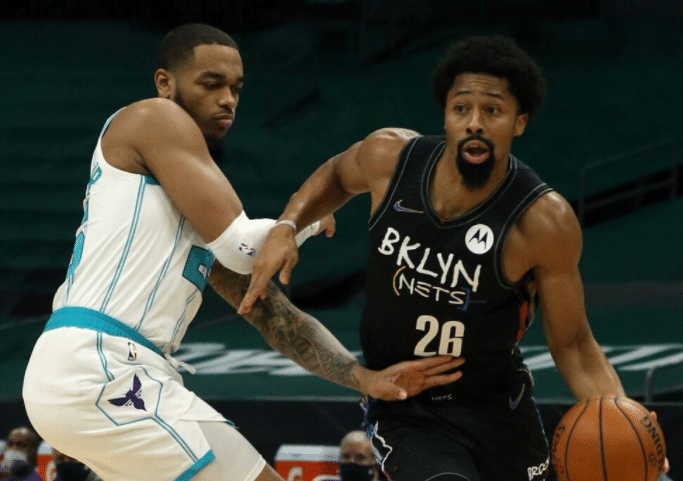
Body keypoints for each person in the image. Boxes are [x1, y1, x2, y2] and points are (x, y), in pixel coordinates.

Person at [21, 23, 465, 481]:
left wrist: (362, 377)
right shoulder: (154, 116)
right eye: (211, 84)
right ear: (165, 83)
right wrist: (310, 215)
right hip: (102, 364)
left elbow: (274, 317)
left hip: (96, 373)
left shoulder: (184, 208)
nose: (227, 99)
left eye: (236, 88)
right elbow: (243, 247)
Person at [238, 35, 670, 480]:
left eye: (493, 111)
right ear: (445, 114)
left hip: (498, 407)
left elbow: (574, 345)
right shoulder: (390, 158)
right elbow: (337, 174)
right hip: (406, 405)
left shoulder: (542, 221)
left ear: (519, 122)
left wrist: (627, 423)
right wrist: (287, 225)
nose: (474, 123)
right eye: (461, 108)